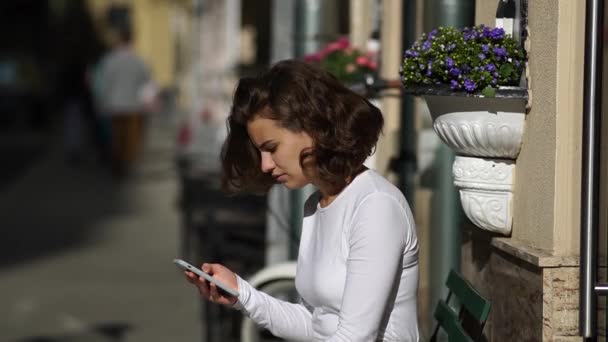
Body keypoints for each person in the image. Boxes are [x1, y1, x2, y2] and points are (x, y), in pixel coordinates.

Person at [184, 60, 419, 341]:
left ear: (313, 128)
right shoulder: (317, 204)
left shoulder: (375, 206)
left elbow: (355, 337)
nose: (265, 165)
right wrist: (241, 294)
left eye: (271, 148)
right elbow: (315, 324)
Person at [97, 27, 157, 177]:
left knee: (116, 138)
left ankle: (117, 164)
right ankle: (124, 164)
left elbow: (103, 84)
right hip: (133, 107)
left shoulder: (109, 60)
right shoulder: (138, 61)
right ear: (131, 41)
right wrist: (149, 104)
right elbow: (148, 84)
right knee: (130, 140)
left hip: (113, 106)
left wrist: (101, 103)